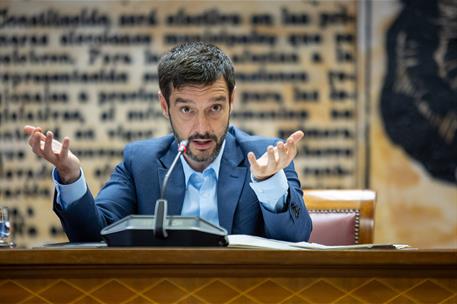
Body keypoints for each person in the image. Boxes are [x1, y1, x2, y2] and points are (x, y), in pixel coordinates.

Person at [24, 42, 312, 243]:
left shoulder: (267, 157)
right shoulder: (141, 162)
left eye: (215, 108)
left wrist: (269, 183)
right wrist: (70, 176)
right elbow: (92, 236)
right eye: (186, 109)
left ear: (231, 101)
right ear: (165, 105)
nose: (202, 128)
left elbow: (297, 238)